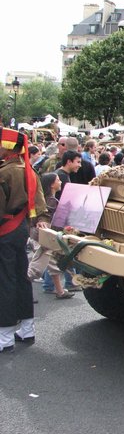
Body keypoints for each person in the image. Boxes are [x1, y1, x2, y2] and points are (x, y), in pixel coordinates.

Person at [0, 128, 47, 353]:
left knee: (5, 281)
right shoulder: (29, 170)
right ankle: (27, 328)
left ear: (7, 147)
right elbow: (40, 205)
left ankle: (5, 335)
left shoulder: (4, 173)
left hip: (4, 231)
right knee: (21, 277)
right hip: (21, 230)